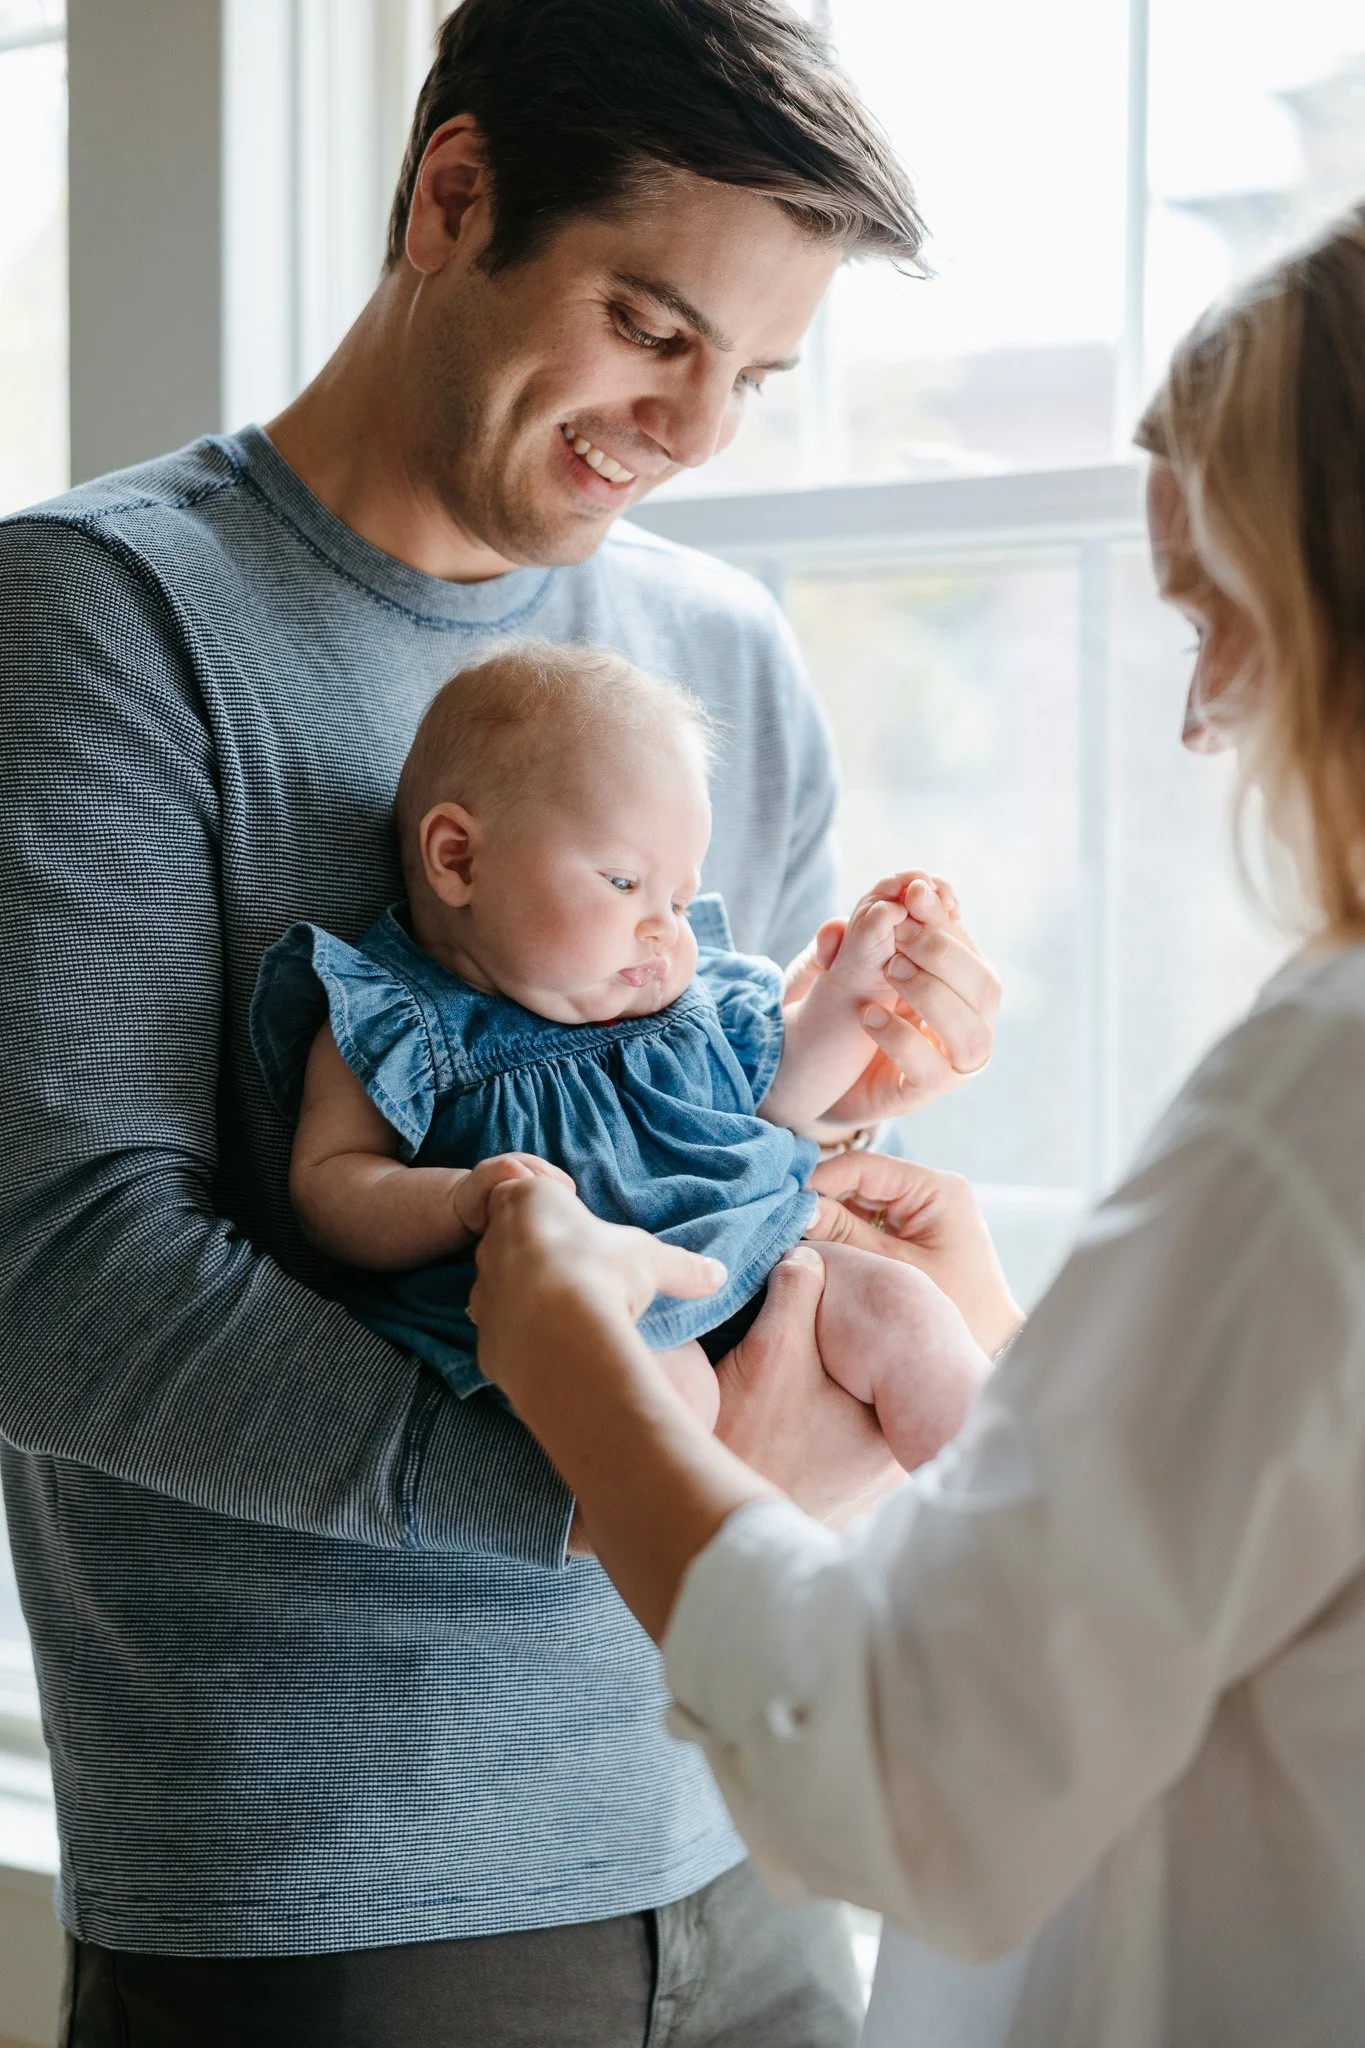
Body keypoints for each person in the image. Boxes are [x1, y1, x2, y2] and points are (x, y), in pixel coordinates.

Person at [0, 2, 1002, 2042]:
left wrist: (838, 1098)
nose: (693, 429)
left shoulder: (716, 651)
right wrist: (615, 1486)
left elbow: (723, 1184)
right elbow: (59, 1274)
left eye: (752, 373)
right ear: (453, 197)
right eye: (651, 326)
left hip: (746, 1807)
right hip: (339, 1898)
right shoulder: (102, 620)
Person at [467, 206, 1365, 2045]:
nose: (1206, 713)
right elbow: (1271, 1543)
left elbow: (913, 1765)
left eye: (1225, 619)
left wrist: (591, 1394)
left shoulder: (1317, 1098)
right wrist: (1026, 1367)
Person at [251, 641, 982, 1466]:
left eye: (677, 895)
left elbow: (787, 1089)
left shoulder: (680, 999)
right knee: (673, 1395)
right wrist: (458, 1202)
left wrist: (857, 986)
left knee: (907, 1311)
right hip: (585, 1315)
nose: (664, 927)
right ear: (458, 858)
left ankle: (1005, 1537)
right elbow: (328, 1188)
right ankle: (724, 1563)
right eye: (624, 883)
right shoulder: (397, 1022)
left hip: (761, 1254)